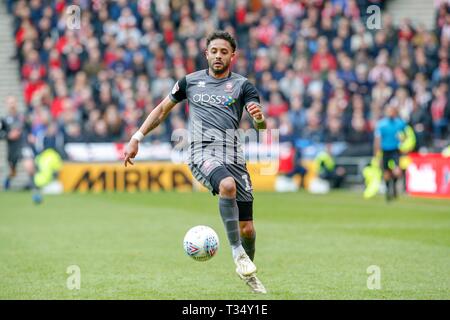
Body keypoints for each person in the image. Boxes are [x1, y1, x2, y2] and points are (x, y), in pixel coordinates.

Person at [123, 31, 267, 294]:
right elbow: (161, 111)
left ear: (232, 56)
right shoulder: (189, 82)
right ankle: (237, 253)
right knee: (226, 185)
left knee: (247, 228)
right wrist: (137, 137)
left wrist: (259, 120)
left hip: (234, 157)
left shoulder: (243, 86)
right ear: (206, 54)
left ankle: (247, 269)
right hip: (202, 153)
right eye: (214, 51)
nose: (218, 56)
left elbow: (260, 125)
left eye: (224, 52)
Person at [374, 105, 407, 202]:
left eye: (392, 111)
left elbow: (406, 136)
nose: (390, 113)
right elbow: (377, 139)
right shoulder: (381, 124)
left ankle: (395, 186)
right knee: (386, 172)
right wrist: (376, 151)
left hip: (395, 150)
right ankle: (389, 190)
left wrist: (403, 139)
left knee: (397, 171)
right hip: (385, 150)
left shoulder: (400, 123)